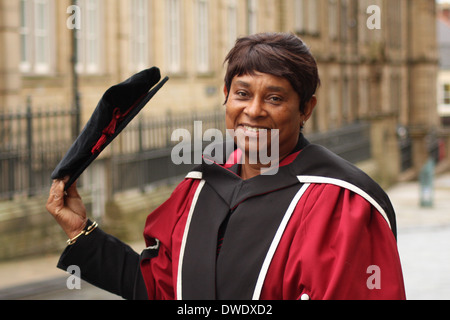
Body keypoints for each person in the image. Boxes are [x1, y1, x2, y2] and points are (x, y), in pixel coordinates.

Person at [46, 32, 406, 300]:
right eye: (243, 93)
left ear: (306, 109)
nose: (253, 110)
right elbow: (160, 289)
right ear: (226, 96)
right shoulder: (201, 189)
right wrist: (83, 232)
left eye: (275, 97)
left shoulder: (341, 203)